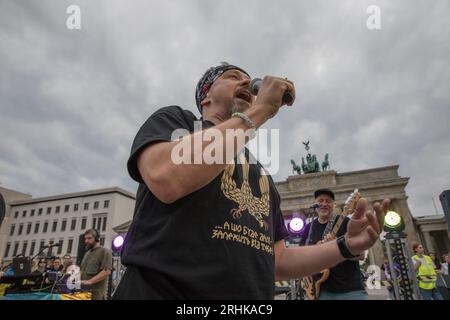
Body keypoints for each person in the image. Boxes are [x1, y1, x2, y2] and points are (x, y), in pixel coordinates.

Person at [112, 63, 390, 299]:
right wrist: (259, 113)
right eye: (233, 76)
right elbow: (166, 178)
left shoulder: (261, 176)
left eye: (248, 78)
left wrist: (345, 246)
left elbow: (278, 260)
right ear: (206, 96)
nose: (246, 80)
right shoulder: (177, 121)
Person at [299, 189, 367, 300]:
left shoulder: (346, 223)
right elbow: (301, 257)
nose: (324, 204)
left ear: (334, 204)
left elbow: (361, 255)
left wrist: (337, 247)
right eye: (320, 201)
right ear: (315, 204)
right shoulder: (309, 227)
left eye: (328, 201)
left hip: (351, 290)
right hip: (321, 290)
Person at [80, 229, 113, 300]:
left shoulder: (105, 252)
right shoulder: (87, 253)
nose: (86, 241)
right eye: (85, 239)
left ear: (97, 238)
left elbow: (106, 271)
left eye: (89, 238)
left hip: (96, 295)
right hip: (84, 294)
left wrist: (90, 281)